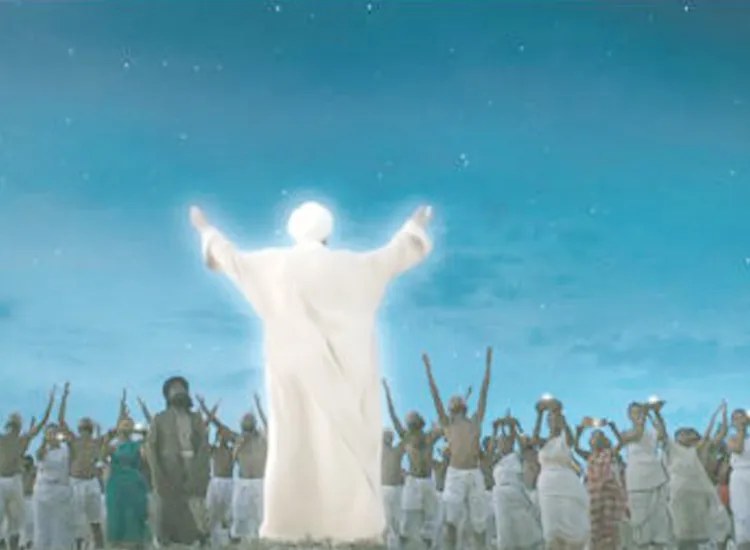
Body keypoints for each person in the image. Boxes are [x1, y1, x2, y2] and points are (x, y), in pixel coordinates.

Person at [190, 200, 433, 545]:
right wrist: (414, 225)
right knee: (342, 450)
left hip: (293, 373)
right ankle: (350, 526)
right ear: (328, 233)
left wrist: (206, 229)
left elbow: (234, 261)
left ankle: (293, 524)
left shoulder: (275, 265)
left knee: (296, 442)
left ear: (294, 231)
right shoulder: (355, 267)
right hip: (348, 379)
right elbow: (394, 254)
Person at [423, 348, 492, 550]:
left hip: (474, 473)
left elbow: (484, 392)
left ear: (461, 406)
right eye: (452, 400)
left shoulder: (475, 421)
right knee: (450, 522)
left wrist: (488, 366)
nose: (453, 401)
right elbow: (435, 395)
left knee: (479, 525)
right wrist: (428, 370)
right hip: (454, 474)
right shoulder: (447, 424)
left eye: (456, 400)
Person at [146, 376, 211, 546]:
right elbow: (151, 449)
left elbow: (204, 446)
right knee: (167, 510)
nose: (178, 392)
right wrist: (157, 475)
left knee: (194, 510)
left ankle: (194, 540)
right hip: (168, 471)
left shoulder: (196, 418)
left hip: (193, 468)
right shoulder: (160, 419)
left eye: (182, 389)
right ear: (168, 396)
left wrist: (200, 471)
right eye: (174, 390)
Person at [383, 381, 442, 549]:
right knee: (407, 517)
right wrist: (387, 392)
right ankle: (404, 541)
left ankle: (427, 541)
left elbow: (445, 422)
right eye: (409, 420)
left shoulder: (429, 437)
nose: (409, 422)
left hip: (427, 481)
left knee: (432, 515)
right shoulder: (407, 437)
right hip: (413, 481)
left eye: (412, 419)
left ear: (418, 422)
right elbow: (393, 415)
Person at [0, 389, 55, 550]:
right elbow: (41, 424)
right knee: (9, 518)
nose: (14, 428)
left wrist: (50, 404)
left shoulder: (21, 440)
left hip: (14, 481)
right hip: (4, 481)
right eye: (13, 425)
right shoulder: (9, 440)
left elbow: (42, 424)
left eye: (15, 425)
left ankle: (13, 545)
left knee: (16, 519)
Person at [532, 398, 589, 550]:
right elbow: (534, 439)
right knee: (551, 531)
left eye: (555, 419)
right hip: (547, 487)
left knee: (571, 529)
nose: (553, 422)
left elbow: (571, 441)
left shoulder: (564, 439)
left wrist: (562, 421)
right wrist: (539, 414)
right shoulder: (543, 442)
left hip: (566, 485)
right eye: (549, 420)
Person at [58, 382, 106, 550]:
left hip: (92, 482)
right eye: (83, 426)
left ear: (89, 429)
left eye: (87, 426)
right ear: (79, 429)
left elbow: (114, 430)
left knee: (95, 520)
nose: (84, 429)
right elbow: (61, 420)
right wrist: (64, 397)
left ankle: (99, 546)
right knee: (76, 520)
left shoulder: (96, 442)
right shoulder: (74, 441)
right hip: (76, 482)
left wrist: (122, 410)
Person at [621, 401, 672, 550]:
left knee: (659, 519)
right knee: (640, 522)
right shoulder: (625, 433)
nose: (639, 415)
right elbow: (637, 435)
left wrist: (656, 413)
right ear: (629, 416)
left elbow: (663, 434)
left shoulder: (651, 433)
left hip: (656, 477)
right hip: (637, 481)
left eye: (641, 412)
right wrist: (641, 419)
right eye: (635, 413)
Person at [491, 415, 543, 550]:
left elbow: (524, 443)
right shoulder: (496, 461)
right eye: (499, 442)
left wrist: (514, 426)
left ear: (510, 442)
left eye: (504, 441)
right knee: (505, 534)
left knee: (523, 534)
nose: (501, 444)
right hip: (501, 498)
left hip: (515, 495)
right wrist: (494, 430)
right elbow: (490, 451)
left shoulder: (517, 456)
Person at [573, 418, 626, 550]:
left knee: (610, 527)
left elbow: (621, 443)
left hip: (609, 493)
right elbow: (576, 448)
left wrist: (613, 428)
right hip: (594, 495)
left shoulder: (609, 453)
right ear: (590, 442)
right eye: (593, 437)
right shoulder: (590, 456)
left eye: (600, 436)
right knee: (594, 528)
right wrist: (579, 432)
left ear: (605, 440)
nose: (596, 439)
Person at [102, 413, 149, 549]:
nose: (126, 428)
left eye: (129, 425)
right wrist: (107, 440)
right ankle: (116, 542)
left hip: (134, 481)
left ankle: (136, 542)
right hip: (116, 482)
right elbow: (102, 457)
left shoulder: (137, 444)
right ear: (118, 427)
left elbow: (145, 458)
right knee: (116, 511)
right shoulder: (113, 445)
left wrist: (145, 435)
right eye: (123, 425)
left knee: (134, 511)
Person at [33, 423, 74, 550]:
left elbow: (72, 455)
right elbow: (39, 456)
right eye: (49, 433)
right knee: (42, 526)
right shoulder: (42, 450)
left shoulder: (65, 449)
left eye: (55, 433)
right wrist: (45, 443)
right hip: (43, 490)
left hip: (61, 490)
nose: (52, 436)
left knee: (61, 526)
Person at [729, 408, 750, 550]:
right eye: (736, 419)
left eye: (742, 418)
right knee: (742, 510)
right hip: (739, 477)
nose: (740, 421)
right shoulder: (731, 438)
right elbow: (738, 449)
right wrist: (741, 430)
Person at [380, 429, 405, 550]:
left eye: (390, 436)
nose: (388, 439)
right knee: (388, 519)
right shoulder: (380, 452)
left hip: (394, 489)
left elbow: (406, 439)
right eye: (387, 436)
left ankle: (393, 544)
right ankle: (390, 544)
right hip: (386, 488)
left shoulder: (396, 452)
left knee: (394, 519)